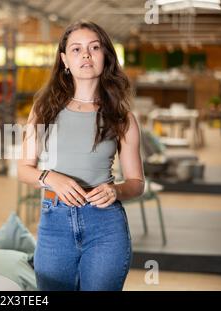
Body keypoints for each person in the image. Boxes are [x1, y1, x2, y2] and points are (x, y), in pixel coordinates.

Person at [17, 21, 145, 291]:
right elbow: (24, 169)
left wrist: (116, 191)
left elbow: (136, 183)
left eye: (94, 47)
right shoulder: (43, 110)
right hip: (55, 224)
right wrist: (50, 177)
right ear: (65, 60)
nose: (85, 55)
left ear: (106, 56)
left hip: (105, 226)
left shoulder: (122, 118)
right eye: (76, 49)